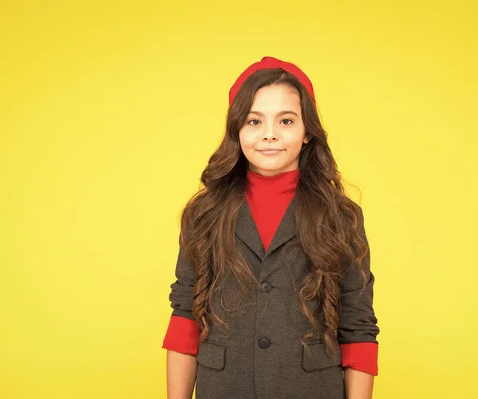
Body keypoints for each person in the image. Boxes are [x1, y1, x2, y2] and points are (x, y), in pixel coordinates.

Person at [162, 56, 380, 399]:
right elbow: (185, 319)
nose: (269, 135)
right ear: (237, 130)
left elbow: (358, 329)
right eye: (253, 121)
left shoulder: (342, 216)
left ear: (307, 132)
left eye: (287, 120)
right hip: (224, 389)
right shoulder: (204, 213)